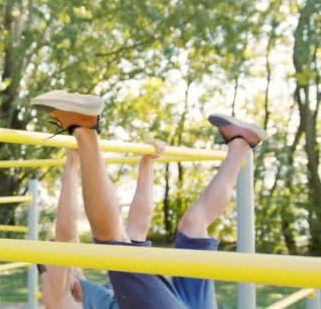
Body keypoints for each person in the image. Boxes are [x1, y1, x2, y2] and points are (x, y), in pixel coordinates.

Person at [32, 90, 268, 309]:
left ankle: (240, 144)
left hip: (185, 302)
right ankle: (83, 128)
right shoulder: (59, 300)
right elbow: (66, 233)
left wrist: (147, 166)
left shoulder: (118, 289)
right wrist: (71, 167)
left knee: (194, 223)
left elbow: (138, 226)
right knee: (111, 243)